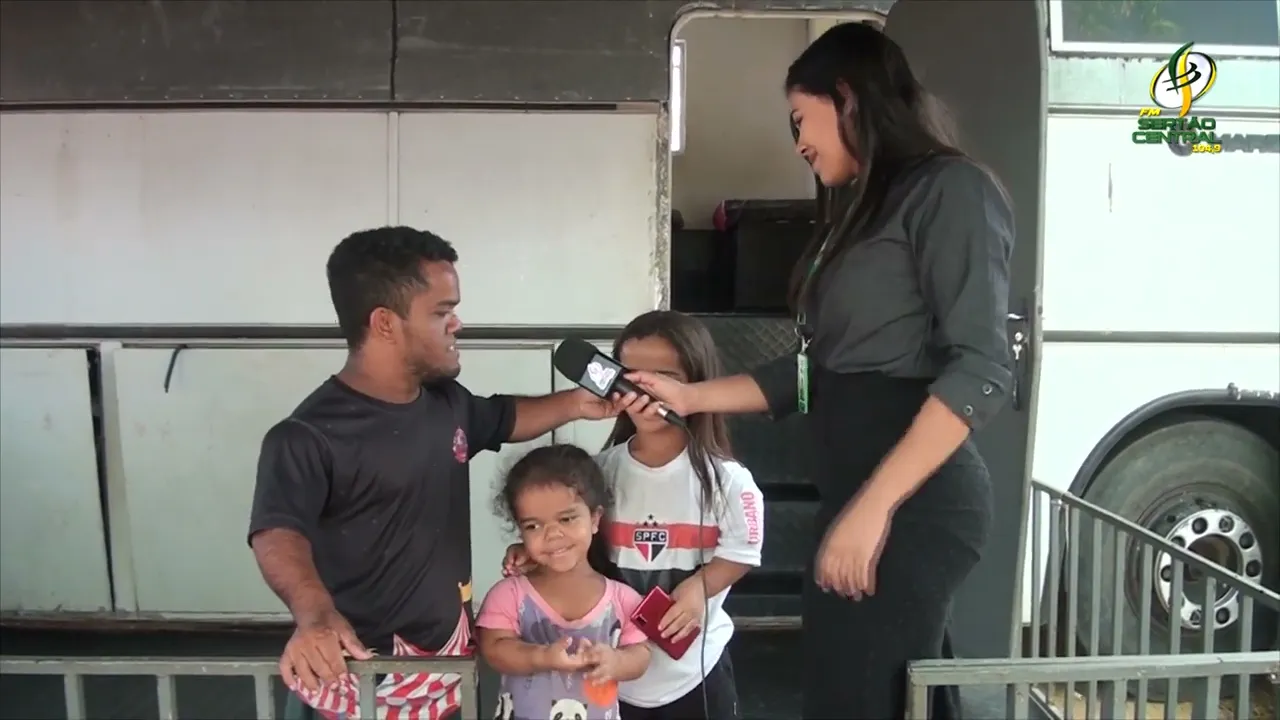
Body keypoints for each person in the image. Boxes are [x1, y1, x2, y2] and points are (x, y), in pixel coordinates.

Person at [620, 23, 1013, 720]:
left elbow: (981, 366)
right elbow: (813, 373)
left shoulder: (950, 189)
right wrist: (688, 394)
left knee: (861, 694)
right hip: (859, 488)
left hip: (912, 501)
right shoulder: (860, 207)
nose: (797, 140)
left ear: (848, 97)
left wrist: (875, 508)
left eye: (801, 118)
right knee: (872, 688)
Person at [247, 226, 620, 720]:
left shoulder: (447, 404)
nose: (456, 324)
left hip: (446, 679)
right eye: (442, 312)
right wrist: (315, 615)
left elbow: (506, 417)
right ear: (385, 322)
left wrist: (578, 403)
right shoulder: (307, 435)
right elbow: (277, 533)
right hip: (356, 686)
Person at [504, 310, 764, 720]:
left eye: (665, 376)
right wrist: (536, 552)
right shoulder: (600, 471)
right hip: (609, 672)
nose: (646, 392)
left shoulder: (728, 480)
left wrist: (698, 588)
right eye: (632, 377)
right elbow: (573, 540)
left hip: (696, 674)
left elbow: (743, 551)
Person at [477, 444, 652, 720]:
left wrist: (616, 661)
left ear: (595, 519)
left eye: (567, 519)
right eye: (533, 525)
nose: (552, 534)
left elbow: (641, 655)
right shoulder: (509, 595)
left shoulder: (623, 599)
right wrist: (542, 657)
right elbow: (494, 650)